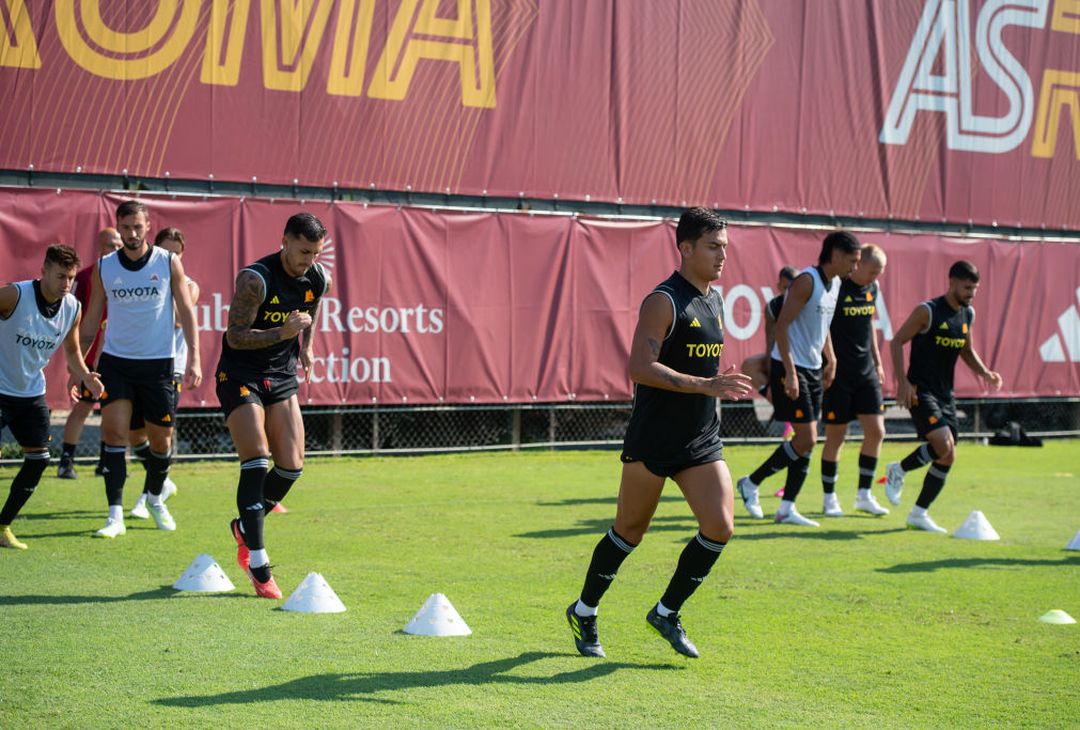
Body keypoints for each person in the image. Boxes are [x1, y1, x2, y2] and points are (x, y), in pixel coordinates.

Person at [565, 208, 751, 659]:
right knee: (629, 532)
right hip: (654, 438)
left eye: (725, 246)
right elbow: (639, 367)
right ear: (685, 248)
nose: (722, 255)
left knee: (721, 526)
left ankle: (667, 612)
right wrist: (705, 385)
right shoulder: (663, 300)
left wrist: (716, 385)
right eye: (713, 246)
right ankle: (584, 611)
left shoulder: (715, 300)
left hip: (701, 439)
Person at [217, 213, 330, 599]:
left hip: (280, 375)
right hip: (240, 374)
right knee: (257, 458)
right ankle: (260, 564)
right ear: (284, 240)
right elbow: (234, 337)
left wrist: (307, 347)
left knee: (292, 466)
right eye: (302, 252)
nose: (308, 261)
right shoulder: (255, 279)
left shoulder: (318, 277)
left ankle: (245, 527)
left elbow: (311, 312)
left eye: (315, 253)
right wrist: (282, 332)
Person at [79, 200, 201, 538]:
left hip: (159, 365)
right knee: (114, 435)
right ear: (118, 227)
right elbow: (91, 321)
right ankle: (114, 515)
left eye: (138, 226)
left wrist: (194, 358)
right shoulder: (105, 267)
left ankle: (155, 497)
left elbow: (187, 313)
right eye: (126, 227)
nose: (132, 233)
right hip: (116, 364)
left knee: (161, 442)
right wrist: (77, 366)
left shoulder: (167, 262)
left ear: (148, 227)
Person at [736, 231, 861, 526]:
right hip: (792, 366)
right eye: (852, 261)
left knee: (807, 441)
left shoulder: (837, 284)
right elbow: (782, 326)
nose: (854, 268)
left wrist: (832, 359)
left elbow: (823, 326)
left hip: (814, 368)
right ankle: (751, 483)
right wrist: (790, 373)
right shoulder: (807, 280)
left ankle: (786, 507)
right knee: (806, 438)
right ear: (836, 255)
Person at [885, 260, 1002, 533]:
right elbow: (896, 341)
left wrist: (985, 373)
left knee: (947, 456)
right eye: (966, 287)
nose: (971, 293)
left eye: (974, 289)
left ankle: (918, 513)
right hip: (920, 390)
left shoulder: (967, 314)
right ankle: (898, 470)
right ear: (951, 282)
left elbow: (966, 351)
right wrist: (902, 382)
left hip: (945, 394)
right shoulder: (928, 311)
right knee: (942, 443)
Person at [0, 245, 103, 549]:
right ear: (43, 270)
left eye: (70, 278)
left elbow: (71, 350)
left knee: (38, 460)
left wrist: (85, 375)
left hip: (31, 394)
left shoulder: (72, 307)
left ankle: (3, 525)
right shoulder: (13, 296)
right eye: (60, 276)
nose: (66, 283)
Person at [129, 227, 198, 519]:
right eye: (167, 251)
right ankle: (163, 482)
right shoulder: (140, 278)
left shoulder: (189, 285)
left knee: (161, 437)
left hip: (171, 368)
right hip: (137, 365)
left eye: (177, 253)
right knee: (134, 436)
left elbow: (180, 321)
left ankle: (148, 496)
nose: (172, 257)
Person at [819, 244, 891, 517]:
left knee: (877, 431)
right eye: (873, 271)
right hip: (839, 375)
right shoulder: (836, 287)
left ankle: (864, 494)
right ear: (858, 264)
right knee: (837, 436)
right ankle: (829, 498)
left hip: (866, 373)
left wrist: (878, 362)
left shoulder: (872, 289)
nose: (876, 277)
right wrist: (830, 360)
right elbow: (823, 326)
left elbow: (869, 326)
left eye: (880, 272)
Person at [57, 228, 121, 479]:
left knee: (114, 411)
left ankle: (105, 462)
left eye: (117, 245)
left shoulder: (127, 276)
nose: (114, 250)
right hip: (89, 359)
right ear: (99, 247)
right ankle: (66, 461)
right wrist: (78, 363)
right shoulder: (85, 277)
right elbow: (72, 316)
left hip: (116, 357)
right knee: (83, 407)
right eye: (109, 245)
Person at [740, 266, 798, 396]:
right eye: (785, 288)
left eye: (792, 288)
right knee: (749, 366)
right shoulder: (773, 307)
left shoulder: (808, 302)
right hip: (784, 356)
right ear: (778, 286)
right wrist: (773, 382)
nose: (789, 293)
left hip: (808, 359)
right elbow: (771, 343)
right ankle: (778, 402)